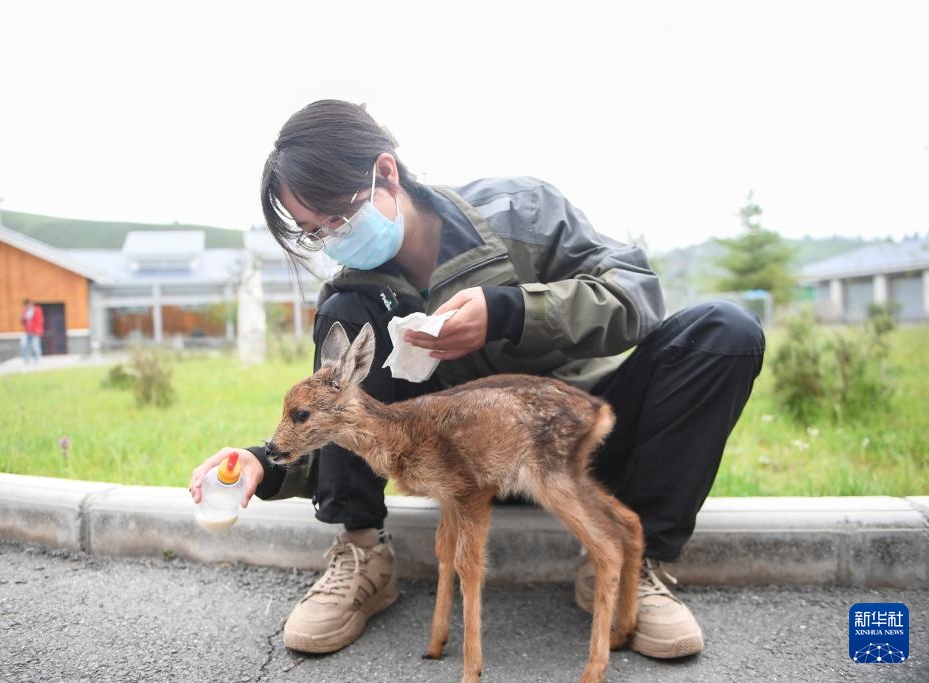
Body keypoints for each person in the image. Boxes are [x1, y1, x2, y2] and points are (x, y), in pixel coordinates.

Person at [189, 99, 765, 660]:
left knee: (724, 331)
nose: (335, 240)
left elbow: (636, 296)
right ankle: (362, 552)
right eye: (316, 233)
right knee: (345, 312)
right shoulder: (358, 295)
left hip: (580, 442)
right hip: (467, 464)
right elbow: (349, 419)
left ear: (385, 171)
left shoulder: (522, 212)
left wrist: (511, 311)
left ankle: (636, 568)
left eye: (338, 217)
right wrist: (265, 462)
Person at [21, 298, 44, 364]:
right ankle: (26, 360)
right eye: (25, 305)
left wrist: (38, 330)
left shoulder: (37, 310)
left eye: (27, 304)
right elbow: (24, 321)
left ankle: (37, 359)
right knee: (25, 345)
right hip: (27, 331)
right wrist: (22, 319)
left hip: (35, 331)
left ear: (31, 304)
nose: (26, 306)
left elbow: (40, 320)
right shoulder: (25, 311)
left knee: (35, 345)